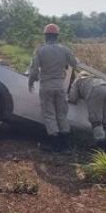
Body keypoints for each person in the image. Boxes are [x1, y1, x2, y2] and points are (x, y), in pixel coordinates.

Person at [28, 23, 78, 153]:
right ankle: (65, 146)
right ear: (57, 36)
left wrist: (31, 82)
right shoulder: (65, 50)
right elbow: (75, 63)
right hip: (60, 87)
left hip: (46, 86)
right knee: (62, 114)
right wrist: (65, 63)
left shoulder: (40, 50)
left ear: (46, 36)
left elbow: (34, 70)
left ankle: (54, 144)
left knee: (49, 115)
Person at [69, 72, 106, 152]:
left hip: (94, 90)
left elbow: (73, 98)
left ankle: (101, 145)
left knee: (96, 121)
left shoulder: (77, 81)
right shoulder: (94, 78)